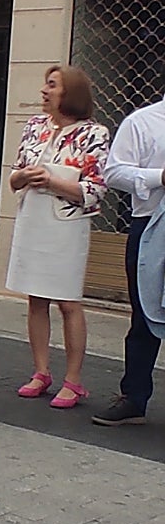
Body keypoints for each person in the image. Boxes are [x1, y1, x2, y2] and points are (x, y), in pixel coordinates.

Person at [6, 65, 109, 409]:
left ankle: (74, 380)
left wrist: (51, 181)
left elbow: (95, 190)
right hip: (33, 219)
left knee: (68, 302)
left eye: (52, 85)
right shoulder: (35, 126)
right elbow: (14, 177)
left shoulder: (95, 134)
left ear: (71, 93)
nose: (44, 91)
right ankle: (41, 371)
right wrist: (24, 177)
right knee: (36, 298)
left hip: (67, 225)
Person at [94, 97, 165, 426]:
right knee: (144, 314)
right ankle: (134, 398)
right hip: (150, 226)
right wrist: (160, 176)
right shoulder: (142, 122)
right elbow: (114, 172)